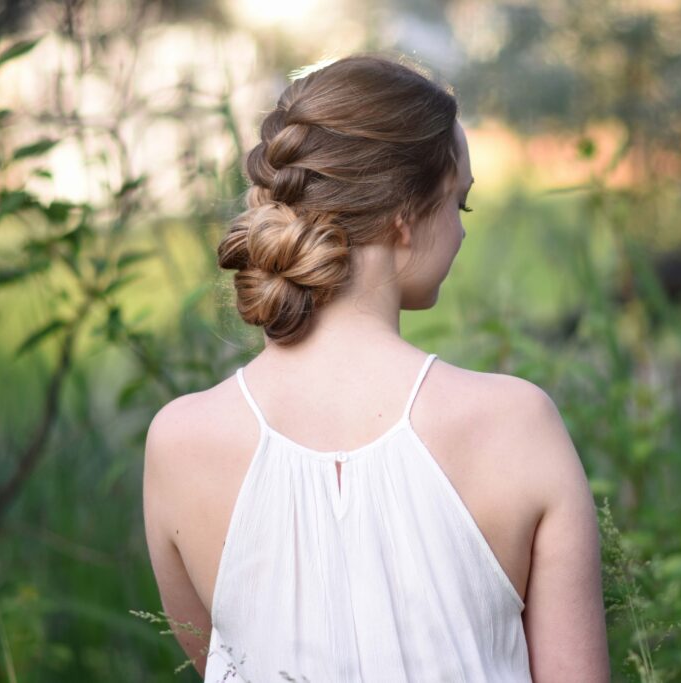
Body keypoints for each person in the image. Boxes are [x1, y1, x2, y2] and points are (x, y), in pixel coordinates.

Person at [142, 54, 609, 682]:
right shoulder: (516, 424)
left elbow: (222, 662)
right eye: (458, 205)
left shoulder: (180, 441)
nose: (462, 234)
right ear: (403, 218)